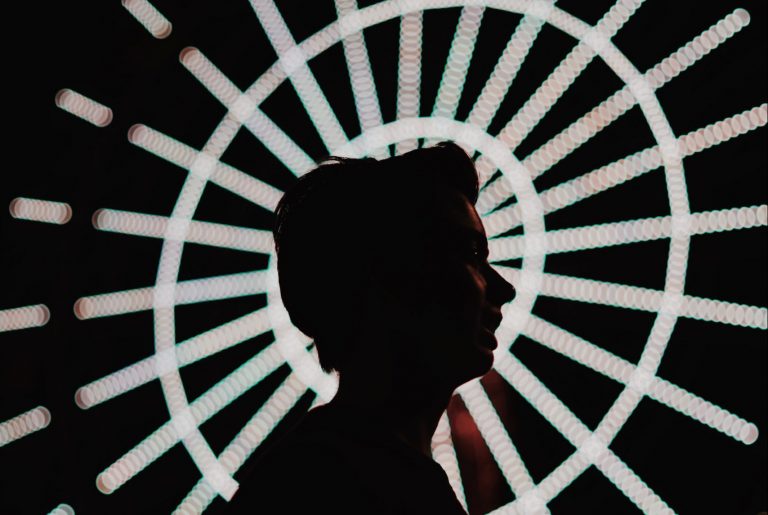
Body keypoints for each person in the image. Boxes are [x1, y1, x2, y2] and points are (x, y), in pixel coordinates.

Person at [228, 142, 516, 514]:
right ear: (384, 278)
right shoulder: (332, 484)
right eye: (470, 254)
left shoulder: (319, 469)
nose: (503, 288)